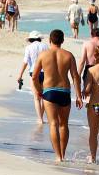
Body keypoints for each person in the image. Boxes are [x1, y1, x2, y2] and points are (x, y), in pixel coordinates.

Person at [32, 29, 83, 162]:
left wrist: (39, 90)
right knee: (64, 125)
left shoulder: (43, 55)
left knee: (53, 124)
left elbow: (34, 76)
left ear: (50, 40)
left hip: (49, 91)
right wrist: (78, 95)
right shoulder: (68, 55)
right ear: (62, 41)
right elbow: (75, 77)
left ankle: (58, 156)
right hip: (64, 91)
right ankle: (63, 154)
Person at [17, 31, 49, 124]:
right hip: (45, 73)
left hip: (34, 73)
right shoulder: (45, 46)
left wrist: (20, 75)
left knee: (36, 97)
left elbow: (25, 62)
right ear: (39, 38)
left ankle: (40, 119)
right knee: (44, 96)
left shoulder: (29, 47)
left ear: (30, 39)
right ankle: (42, 116)